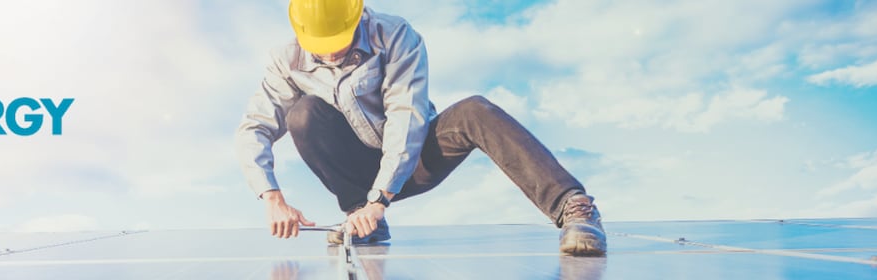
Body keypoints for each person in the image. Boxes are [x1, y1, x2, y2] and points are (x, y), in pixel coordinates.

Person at [235, 0, 607, 256]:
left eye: (338, 43)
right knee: (304, 114)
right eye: (321, 47)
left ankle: (574, 207)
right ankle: (362, 221)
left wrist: (380, 200)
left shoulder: (395, 36)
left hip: (416, 157)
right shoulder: (286, 61)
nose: (330, 55)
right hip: (359, 172)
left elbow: (406, 116)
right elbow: (254, 127)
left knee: (475, 110)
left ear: (357, 17)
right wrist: (272, 197)